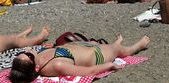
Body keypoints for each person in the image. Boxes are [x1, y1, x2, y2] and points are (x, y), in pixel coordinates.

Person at [10, 34, 150, 82]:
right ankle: (138, 46)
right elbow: (88, 71)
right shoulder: (57, 66)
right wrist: (109, 66)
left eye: (21, 52)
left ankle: (116, 43)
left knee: (97, 43)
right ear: (36, 68)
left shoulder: (38, 58)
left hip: (82, 46)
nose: (28, 50)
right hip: (96, 55)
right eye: (28, 55)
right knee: (118, 50)